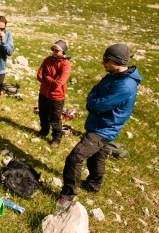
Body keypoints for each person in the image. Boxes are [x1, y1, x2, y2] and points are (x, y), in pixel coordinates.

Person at [56, 44, 143, 208]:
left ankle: (68, 194)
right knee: (97, 155)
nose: (102, 63)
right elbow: (95, 90)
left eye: (106, 60)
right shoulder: (113, 75)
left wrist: (92, 100)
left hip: (104, 129)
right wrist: (94, 98)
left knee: (75, 157)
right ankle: (94, 184)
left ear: (115, 61)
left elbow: (96, 105)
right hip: (98, 124)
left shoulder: (125, 85)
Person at [37, 40, 71, 147]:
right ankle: (44, 131)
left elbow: (58, 84)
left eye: (57, 50)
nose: (54, 52)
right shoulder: (47, 60)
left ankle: (56, 138)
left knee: (55, 119)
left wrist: (46, 77)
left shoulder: (66, 64)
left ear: (63, 51)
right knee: (43, 114)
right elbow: (39, 75)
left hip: (56, 97)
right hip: (43, 93)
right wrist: (51, 79)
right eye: (53, 49)